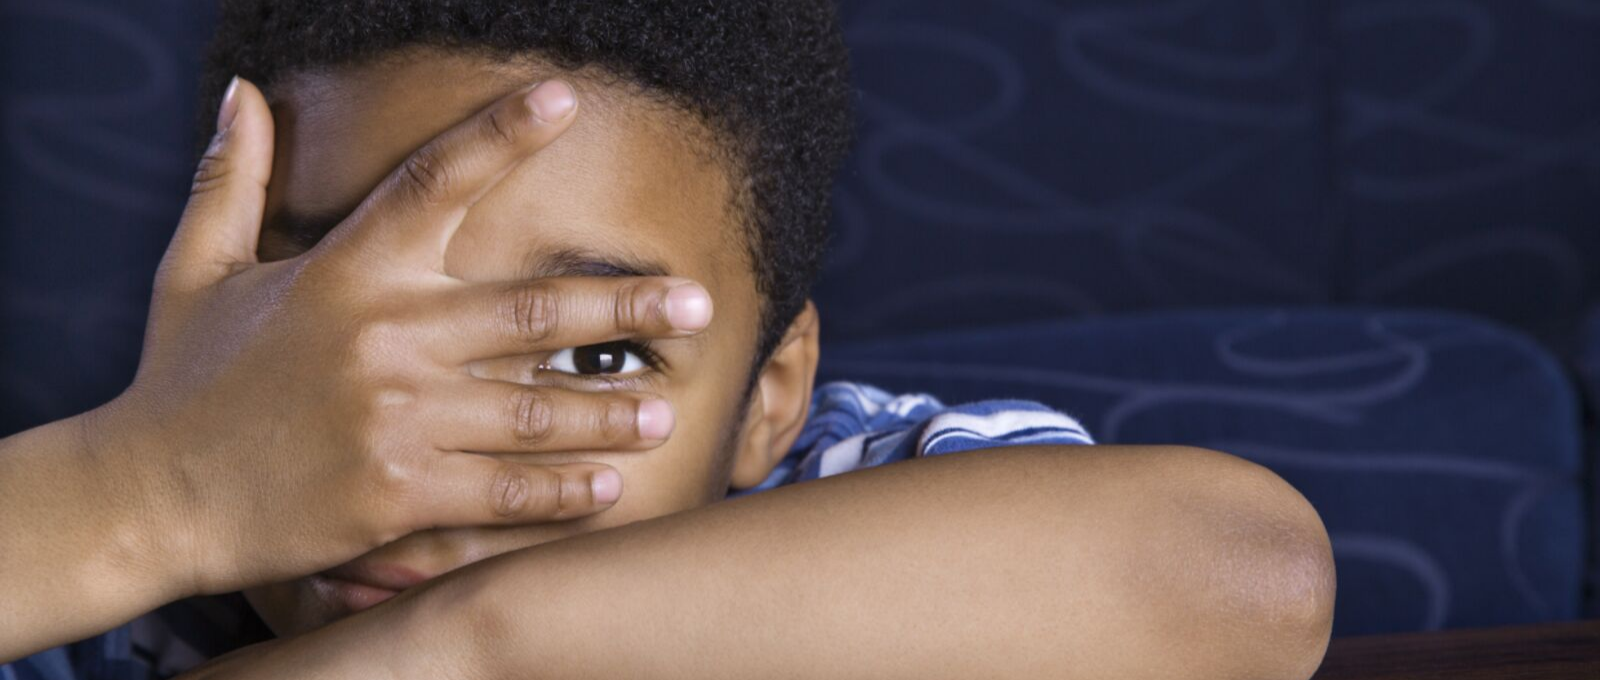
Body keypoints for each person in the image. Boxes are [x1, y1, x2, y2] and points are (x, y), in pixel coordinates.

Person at [0, 1, 1336, 678]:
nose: (398, 439)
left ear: (772, 398)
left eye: (596, 356)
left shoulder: (853, 507)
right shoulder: (99, 593)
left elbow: (1242, 575)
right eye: (325, 327)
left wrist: (460, 650)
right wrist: (157, 492)